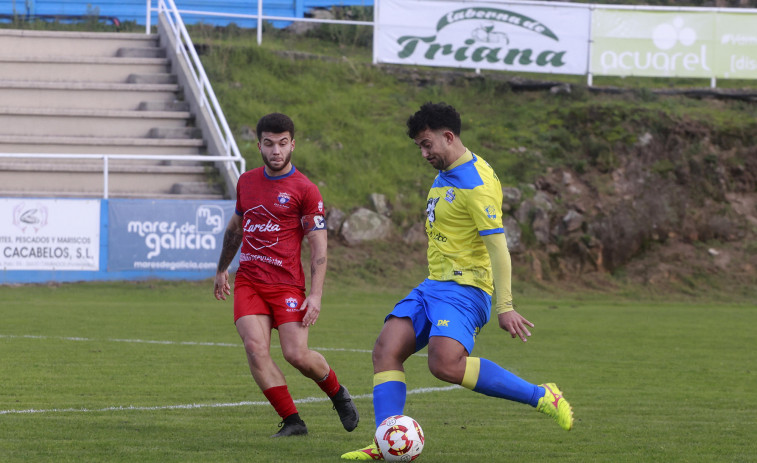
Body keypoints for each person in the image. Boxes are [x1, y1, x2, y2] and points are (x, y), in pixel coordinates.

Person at [341, 102, 573, 460]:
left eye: (426, 144)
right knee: (386, 348)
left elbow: (499, 248)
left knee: (444, 365)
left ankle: (543, 396)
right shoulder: (448, 169)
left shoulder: (476, 183)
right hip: (434, 284)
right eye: (419, 145)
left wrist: (506, 306)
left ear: (448, 137)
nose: (423, 153)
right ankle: (386, 440)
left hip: (466, 288)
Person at [214, 112, 359, 438]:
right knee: (255, 347)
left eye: (282, 144)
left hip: (286, 285)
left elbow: (319, 246)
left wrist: (316, 294)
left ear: (292, 144)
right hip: (249, 280)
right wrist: (222, 268)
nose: (276, 151)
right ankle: (293, 420)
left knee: (296, 354)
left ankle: (337, 393)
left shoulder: (305, 190)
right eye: (269, 144)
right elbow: (235, 229)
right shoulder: (247, 182)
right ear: (259, 146)